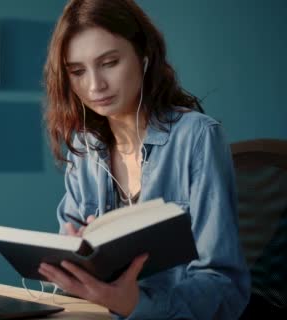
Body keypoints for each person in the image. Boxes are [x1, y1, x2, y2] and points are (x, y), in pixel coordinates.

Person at [38, 0, 251, 319]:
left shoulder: (196, 136)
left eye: (109, 62)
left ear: (144, 57)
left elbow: (224, 285)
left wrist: (135, 305)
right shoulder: (85, 148)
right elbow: (72, 282)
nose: (95, 86)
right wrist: (75, 265)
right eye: (78, 71)